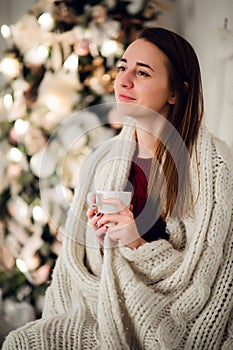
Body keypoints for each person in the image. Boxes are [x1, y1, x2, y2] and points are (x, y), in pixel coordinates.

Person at [2, 27, 233, 350]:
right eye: (122, 67)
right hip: (100, 309)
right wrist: (100, 245)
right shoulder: (102, 159)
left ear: (175, 92)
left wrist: (135, 241)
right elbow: (77, 268)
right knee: (21, 342)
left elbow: (203, 277)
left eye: (142, 73)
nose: (123, 81)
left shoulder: (214, 167)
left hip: (165, 318)